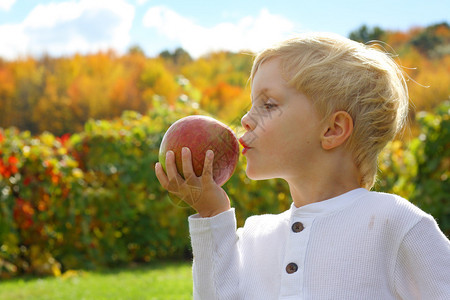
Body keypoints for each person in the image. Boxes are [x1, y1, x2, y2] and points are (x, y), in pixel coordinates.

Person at [155, 32, 450, 299]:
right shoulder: (255, 236)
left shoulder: (397, 224)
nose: (245, 119)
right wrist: (211, 214)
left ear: (333, 129)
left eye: (268, 104)